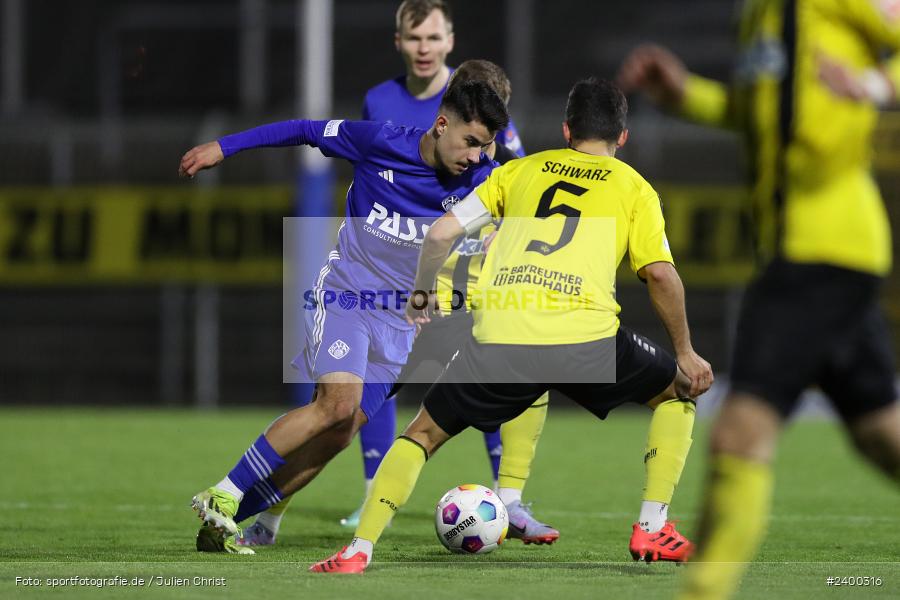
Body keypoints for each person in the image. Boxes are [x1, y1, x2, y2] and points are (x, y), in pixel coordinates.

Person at [309, 76, 713, 573]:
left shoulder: (518, 172)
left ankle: (359, 549)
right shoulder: (635, 188)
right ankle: (652, 527)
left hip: (500, 334)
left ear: (566, 130)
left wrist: (420, 295)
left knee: (422, 434)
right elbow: (658, 274)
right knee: (677, 392)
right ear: (622, 138)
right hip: (584, 337)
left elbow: (439, 235)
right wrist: (687, 351)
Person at [235, 5, 555, 542]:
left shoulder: (488, 140)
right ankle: (294, 505)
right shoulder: (390, 113)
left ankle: (508, 498)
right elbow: (375, 175)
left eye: (434, 36)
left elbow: (518, 193)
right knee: (350, 415)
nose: (425, 46)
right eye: (415, 36)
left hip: (459, 288)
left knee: (504, 368)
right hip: (404, 295)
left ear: (449, 42)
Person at [617, 2, 900, 598]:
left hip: (820, 253)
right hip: (814, 255)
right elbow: (759, 113)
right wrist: (685, 95)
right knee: (881, 436)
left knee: (738, 435)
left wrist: (874, 83)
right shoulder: (760, 15)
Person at [179, 80, 510, 554]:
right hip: (347, 297)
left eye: (486, 146)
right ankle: (223, 494)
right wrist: (225, 146)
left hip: (402, 329)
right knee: (336, 404)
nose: (477, 156)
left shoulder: (483, 179)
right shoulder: (381, 142)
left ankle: (242, 520)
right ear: (442, 125)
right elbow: (306, 128)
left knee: (341, 431)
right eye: (471, 142)